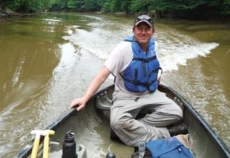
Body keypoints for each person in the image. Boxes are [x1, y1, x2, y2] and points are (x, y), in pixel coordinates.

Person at [69, 14, 187, 147]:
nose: (143, 32)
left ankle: (131, 129)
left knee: (177, 113)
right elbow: (101, 75)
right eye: (139, 28)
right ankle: (167, 133)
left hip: (150, 93)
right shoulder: (122, 49)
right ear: (133, 30)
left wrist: (155, 77)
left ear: (153, 31)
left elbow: (151, 65)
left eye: (147, 29)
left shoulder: (155, 46)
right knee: (117, 123)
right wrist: (84, 98)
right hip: (127, 96)